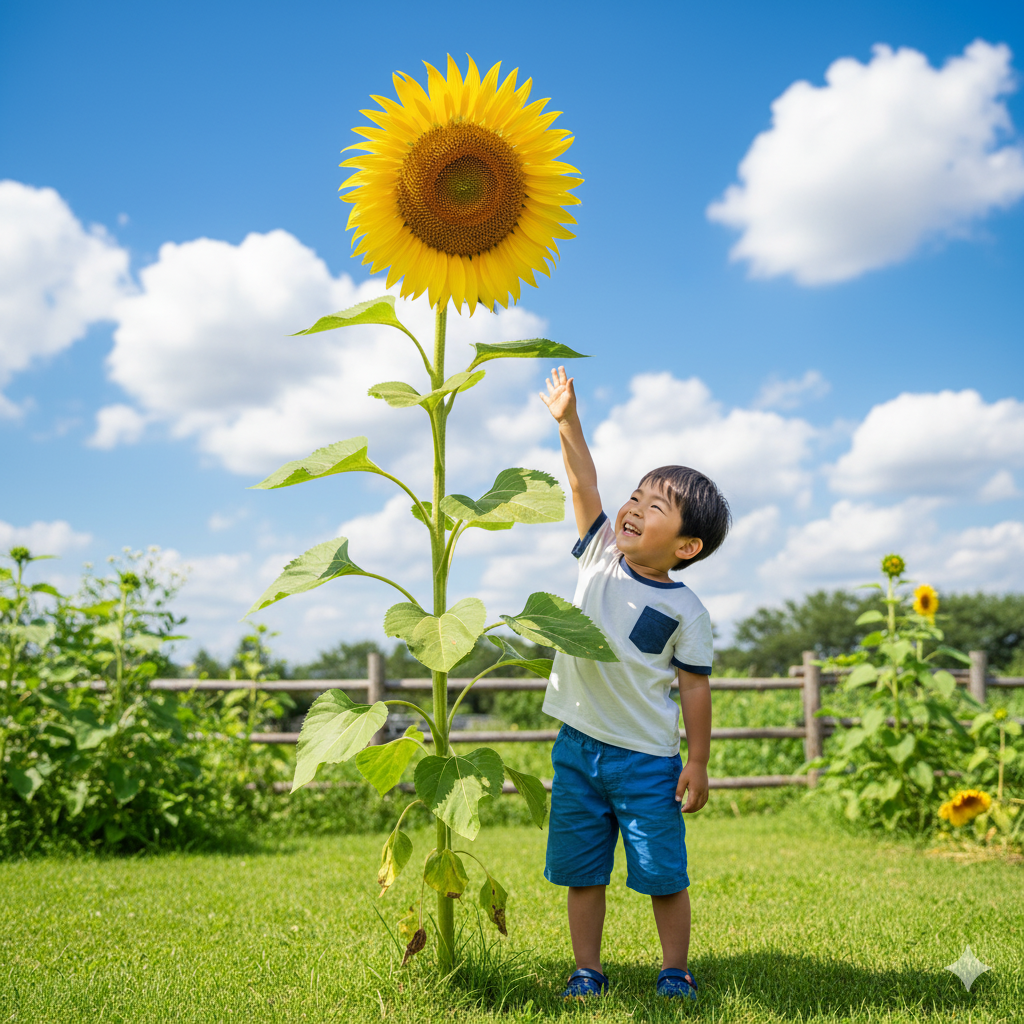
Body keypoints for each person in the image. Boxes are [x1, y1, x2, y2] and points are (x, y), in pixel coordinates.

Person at [538, 366, 731, 1002]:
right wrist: (568, 420)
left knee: (661, 872)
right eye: (637, 496)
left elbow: (696, 689)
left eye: (656, 507)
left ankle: (675, 968)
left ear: (686, 546)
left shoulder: (688, 612)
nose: (633, 508)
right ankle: (586, 969)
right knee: (581, 870)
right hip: (578, 745)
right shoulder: (598, 552)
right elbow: (582, 480)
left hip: (647, 760)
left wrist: (697, 762)